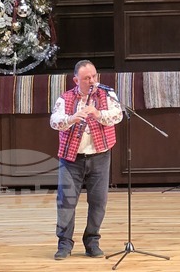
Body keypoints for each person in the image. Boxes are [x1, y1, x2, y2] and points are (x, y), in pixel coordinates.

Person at [49, 59, 123, 260]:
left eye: (94, 76)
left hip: (100, 156)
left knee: (98, 202)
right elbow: (54, 121)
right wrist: (72, 118)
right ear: (76, 80)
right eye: (86, 78)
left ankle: (92, 242)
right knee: (66, 202)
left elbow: (117, 116)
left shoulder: (107, 94)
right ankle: (64, 244)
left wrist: (97, 113)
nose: (91, 81)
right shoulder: (65, 99)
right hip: (71, 159)